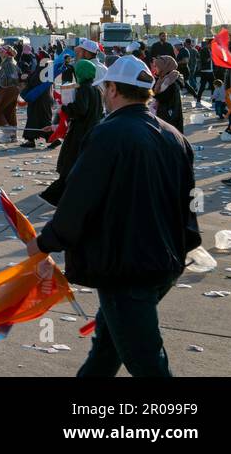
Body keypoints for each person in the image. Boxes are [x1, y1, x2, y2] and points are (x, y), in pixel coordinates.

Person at [28, 55, 200, 377]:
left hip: (127, 269)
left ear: (112, 90)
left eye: (105, 88)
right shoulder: (174, 137)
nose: (104, 94)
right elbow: (189, 204)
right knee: (107, 350)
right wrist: (184, 245)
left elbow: (79, 200)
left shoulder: (108, 135)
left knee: (148, 364)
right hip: (164, 262)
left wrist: (46, 242)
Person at [40, 59, 104, 206]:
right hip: (91, 131)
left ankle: (56, 196)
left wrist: (65, 108)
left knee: (69, 164)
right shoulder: (97, 89)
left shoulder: (84, 89)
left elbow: (80, 109)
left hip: (80, 132)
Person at [151, 55, 184, 133]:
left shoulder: (171, 81)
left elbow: (164, 97)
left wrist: (153, 95)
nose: (155, 68)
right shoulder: (163, 78)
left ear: (164, 67)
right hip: (166, 115)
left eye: (157, 66)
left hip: (170, 116)